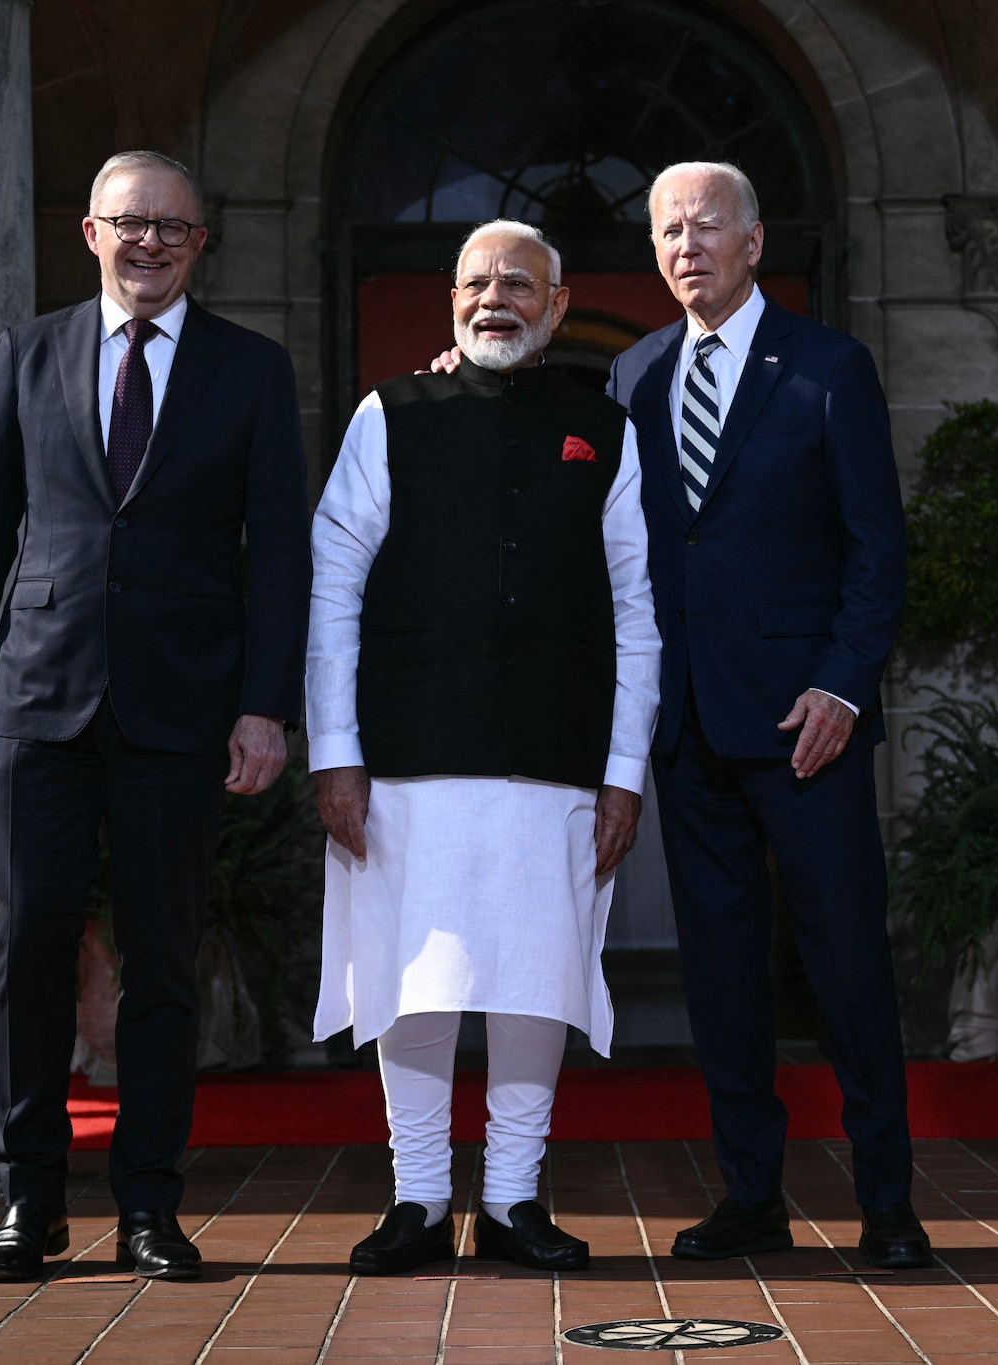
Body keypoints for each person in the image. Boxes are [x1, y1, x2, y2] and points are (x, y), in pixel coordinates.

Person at [0, 150, 311, 1283]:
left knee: (161, 963)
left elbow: (279, 554)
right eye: (128, 223)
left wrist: (264, 709)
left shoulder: (250, 370)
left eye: (173, 228)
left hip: (182, 712)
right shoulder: (27, 354)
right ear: (90, 234)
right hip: (37, 707)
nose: (149, 243)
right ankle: (28, 1202)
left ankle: (149, 1204)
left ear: (201, 244)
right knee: (29, 946)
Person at [309, 220, 660, 1276]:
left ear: (556, 307)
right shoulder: (389, 414)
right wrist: (333, 750)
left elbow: (637, 609)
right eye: (474, 282)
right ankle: (416, 1198)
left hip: (555, 755)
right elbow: (334, 591)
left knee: (531, 979)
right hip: (403, 755)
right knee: (407, 984)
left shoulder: (602, 428)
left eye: (518, 283)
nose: (492, 297)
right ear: (449, 300)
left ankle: (512, 1198)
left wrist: (624, 773)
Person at [607, 163, 926, 1268]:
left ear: (752, 240)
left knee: (844, 969)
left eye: (703, 226)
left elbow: (876, 554)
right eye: (664, 232)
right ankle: (751, 1195)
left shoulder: (829, 368)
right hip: (690, 730)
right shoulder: (631, 376)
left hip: (807, 732)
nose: (683, 245)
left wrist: (841, 685)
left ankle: (886, 1203)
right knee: (723, 979)